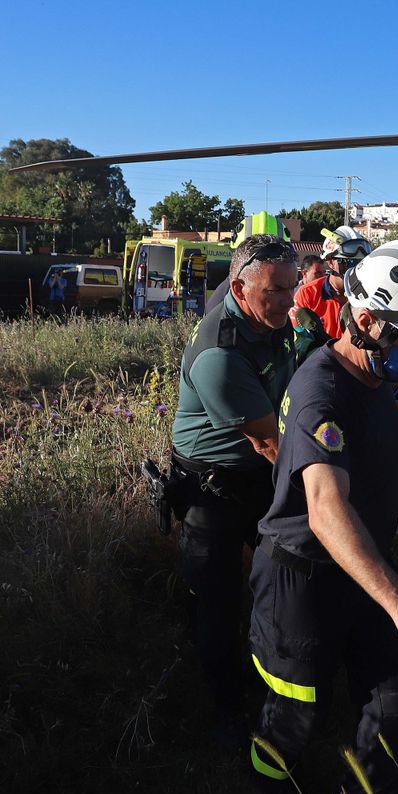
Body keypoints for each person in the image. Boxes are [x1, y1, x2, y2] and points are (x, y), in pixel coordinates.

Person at [249, 239, 398, 794]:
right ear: (367, 320)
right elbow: (324, 508)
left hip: (367, 571)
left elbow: (369, 435)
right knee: (294, 715)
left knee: (397, 702)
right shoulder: (321, 389)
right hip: (304, 578)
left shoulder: (373, 377)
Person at [169, 235, 311, 743]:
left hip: (252, 475)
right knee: (217, 595)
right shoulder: (220, 355)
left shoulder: (267, 319)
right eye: (274, 290)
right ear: (240, 287)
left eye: (293, 287)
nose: (288, 300)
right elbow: (276, 446)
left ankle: (269, 670)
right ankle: (225, 708)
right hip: (216, 488)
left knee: (272, 580)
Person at [294, 226, 372, 340]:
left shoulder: (371, 292)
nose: (354, 268)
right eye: (348, 262)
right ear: (330, 261)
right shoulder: (307, 293)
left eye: (359, 262)